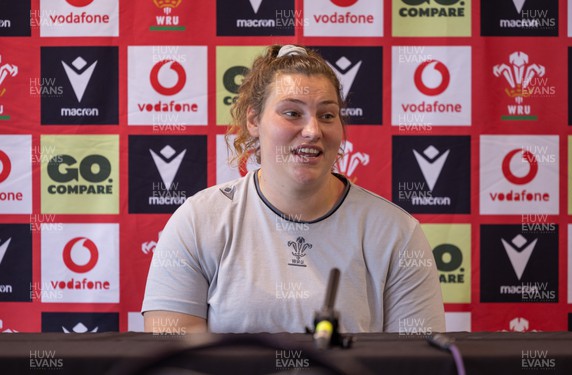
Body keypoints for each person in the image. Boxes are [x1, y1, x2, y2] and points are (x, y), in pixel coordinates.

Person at [142, 44, 445, 334]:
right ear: (253, 120)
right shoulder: (198, 221)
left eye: (327, 115)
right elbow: (174, 359)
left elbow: (414, 362)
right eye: (292, 113)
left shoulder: (397, 233)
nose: (313, 131)